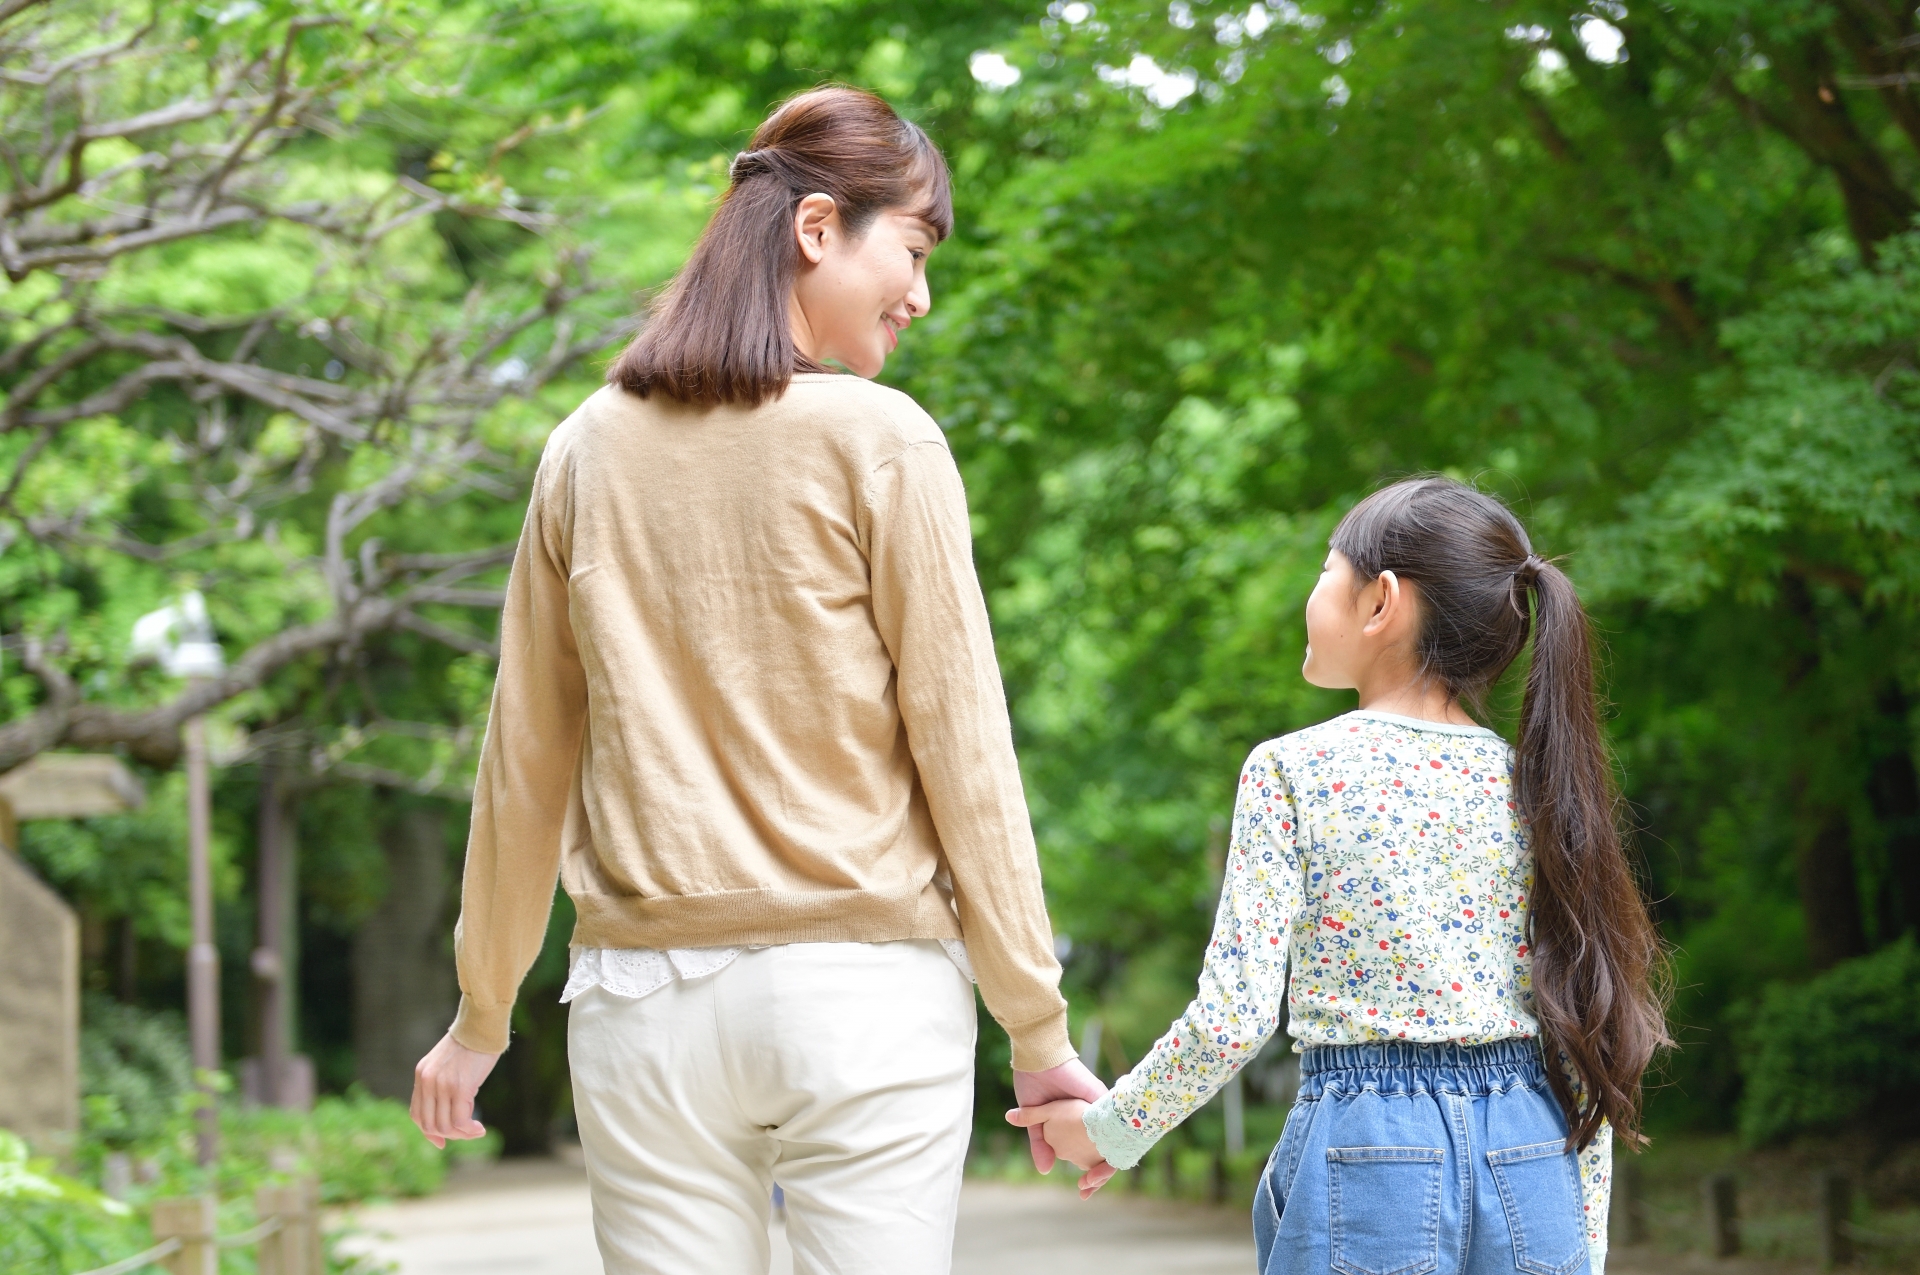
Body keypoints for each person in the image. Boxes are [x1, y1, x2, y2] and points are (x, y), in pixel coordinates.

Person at [408, 85, 1102, 1274]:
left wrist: (482, 1013)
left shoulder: (585, 448)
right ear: (819, 227)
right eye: (917, 247)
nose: (922, 294)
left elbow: (526, 762)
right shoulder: (884, 441)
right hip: (866, 996)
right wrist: (1034, 1028)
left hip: (642, 1002)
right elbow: (965, 757)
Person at [1012, 476, 1667, 1275]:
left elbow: (1232, 1019)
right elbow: (1576, 1027)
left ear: (1380, 601)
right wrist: (1585, 1240)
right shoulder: (1535, 783)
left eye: (1325, 571)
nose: (1311, 593)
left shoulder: (1295, 769)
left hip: (1370, 1150)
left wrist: (1113, 1127)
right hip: (1533, 1148)